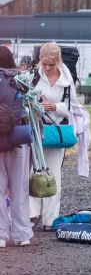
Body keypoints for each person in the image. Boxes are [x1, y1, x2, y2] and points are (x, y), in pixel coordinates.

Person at [29, 42, 76, 229]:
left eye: (51, 64)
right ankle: (31, 215)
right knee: (32, 172)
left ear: (58, 61)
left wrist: (55, 107)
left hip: (55, 130)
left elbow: (71, 109)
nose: (47, 68)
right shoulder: (34, 77)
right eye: (44, 64)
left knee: (54, 174)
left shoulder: (67, 81)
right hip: (36, 129)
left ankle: (50, 219)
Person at [0, 46, 32, 248]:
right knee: (19, 188)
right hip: (18, 138)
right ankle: (22, 234)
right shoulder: (21, 80)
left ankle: (1, 234)